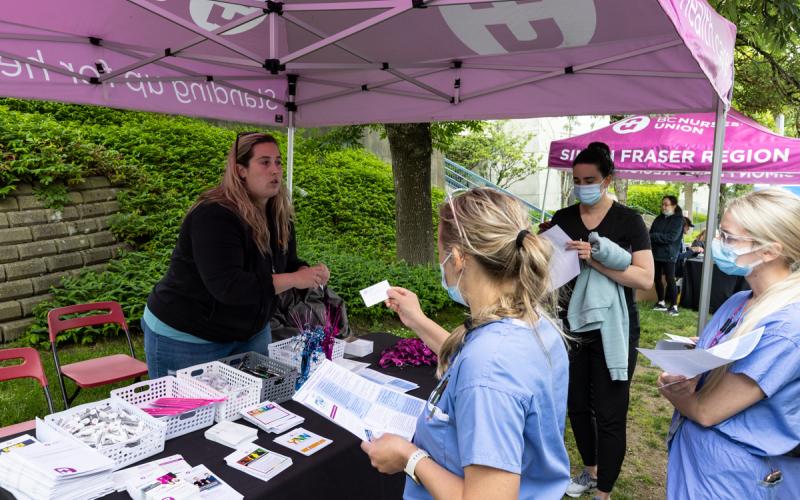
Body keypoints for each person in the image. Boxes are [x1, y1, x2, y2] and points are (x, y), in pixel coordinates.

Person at [361, 188, 570, 500]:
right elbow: (470, 358)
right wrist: (417, 319)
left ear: (457, 258)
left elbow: (484, 375)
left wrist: (409, 457)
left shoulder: (489, 368)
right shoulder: (530, 322)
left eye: (441, 254)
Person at [142, 132, 329, 378]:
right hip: (188, 337)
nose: (275, 170)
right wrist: (295, 279)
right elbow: (229, 287)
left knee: (251, 411)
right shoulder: (214, 215)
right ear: (241, 170)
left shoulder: (278, 213)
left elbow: (286, 264)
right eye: (264, 162)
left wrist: (306, 272)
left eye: (278, 162)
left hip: (249, 333)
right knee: (190, 414)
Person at [659, 188, 800, 499]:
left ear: (769, 251)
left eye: (728, 237)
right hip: (701, 462)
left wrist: (670, 388)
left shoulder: (786, 327)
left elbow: (707, 410)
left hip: (733, 478)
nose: (716, 244)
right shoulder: (741, 300)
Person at [546, 142, 654, 500]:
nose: (582, 185)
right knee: (576, 404)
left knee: (610, 411)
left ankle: (604, 490)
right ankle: (590, 471)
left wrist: (594, 260)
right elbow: (551, 273)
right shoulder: (564, 218)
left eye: (590, 179)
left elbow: (644, 279)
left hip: (614, 331)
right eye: (576, 180)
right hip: (570, 326)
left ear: (608, 179)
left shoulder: (629, 220)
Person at [650, 195, 685, 316]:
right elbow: (650, 233)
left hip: (669, 254)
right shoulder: (659, 218)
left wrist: (655, 236)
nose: (663, 207)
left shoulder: (678, 220)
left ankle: (674, 306)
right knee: (656, 278)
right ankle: (661, 302)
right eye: (662, 204)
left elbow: (671, 238)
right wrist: (657, 236)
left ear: (674, 206)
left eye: (666, 204)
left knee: (670, 279)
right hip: (656, 253)